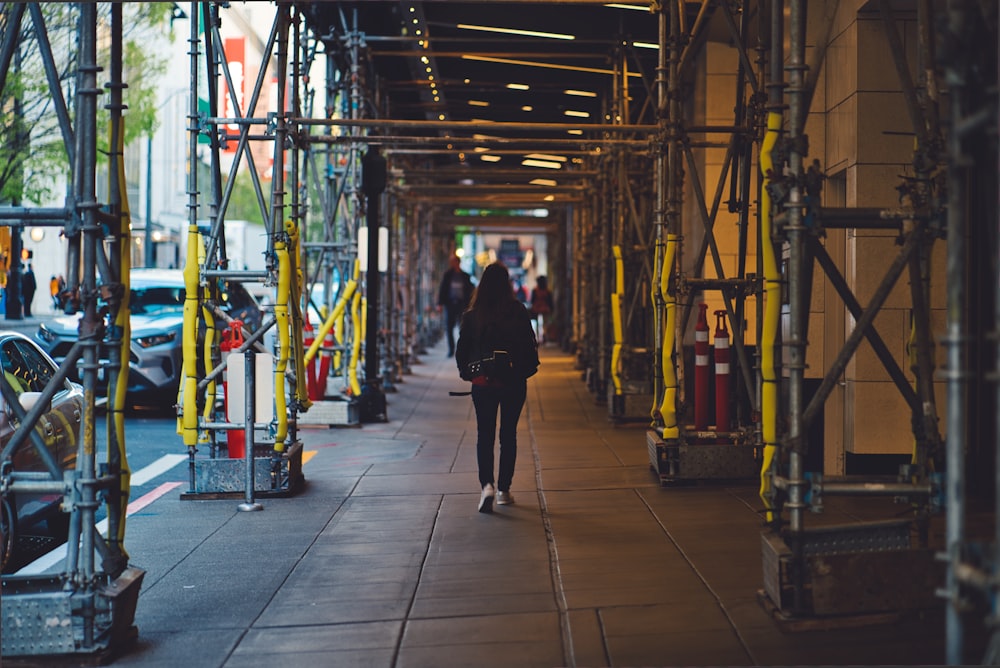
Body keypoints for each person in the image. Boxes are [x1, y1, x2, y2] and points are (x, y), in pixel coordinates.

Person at [455, 262, 539, 513]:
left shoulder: (472, 315)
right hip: (512, 382)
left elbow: (462, 352)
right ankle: (504, 490)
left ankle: (486, 486)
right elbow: (529, 346)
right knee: (508, 435)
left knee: (485, 434)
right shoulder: (517, 311)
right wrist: (521, 372)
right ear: (507, 285)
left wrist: (469, 374)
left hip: (484, 383)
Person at [437, 255, 474, 357]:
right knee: (449, 327)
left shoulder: (465, 276)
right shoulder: (448, 275)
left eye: (453, 262)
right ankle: (451, 349)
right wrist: (440, 303)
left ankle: (462, 349)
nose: (452, 264)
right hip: (450, 304)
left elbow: (470, 290)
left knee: (462, 327)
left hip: (462, 304)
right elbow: (443, 289)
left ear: (458, 262)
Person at [530, 275, 553, 344]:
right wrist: (551, 309)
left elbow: (532, 300)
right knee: (545, 324)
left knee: (537, 324)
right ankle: (544, 336)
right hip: (545, 309)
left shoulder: (535, 290)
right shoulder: (547, 291)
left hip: (536, 308)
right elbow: (550, 301)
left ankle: (537, 338)